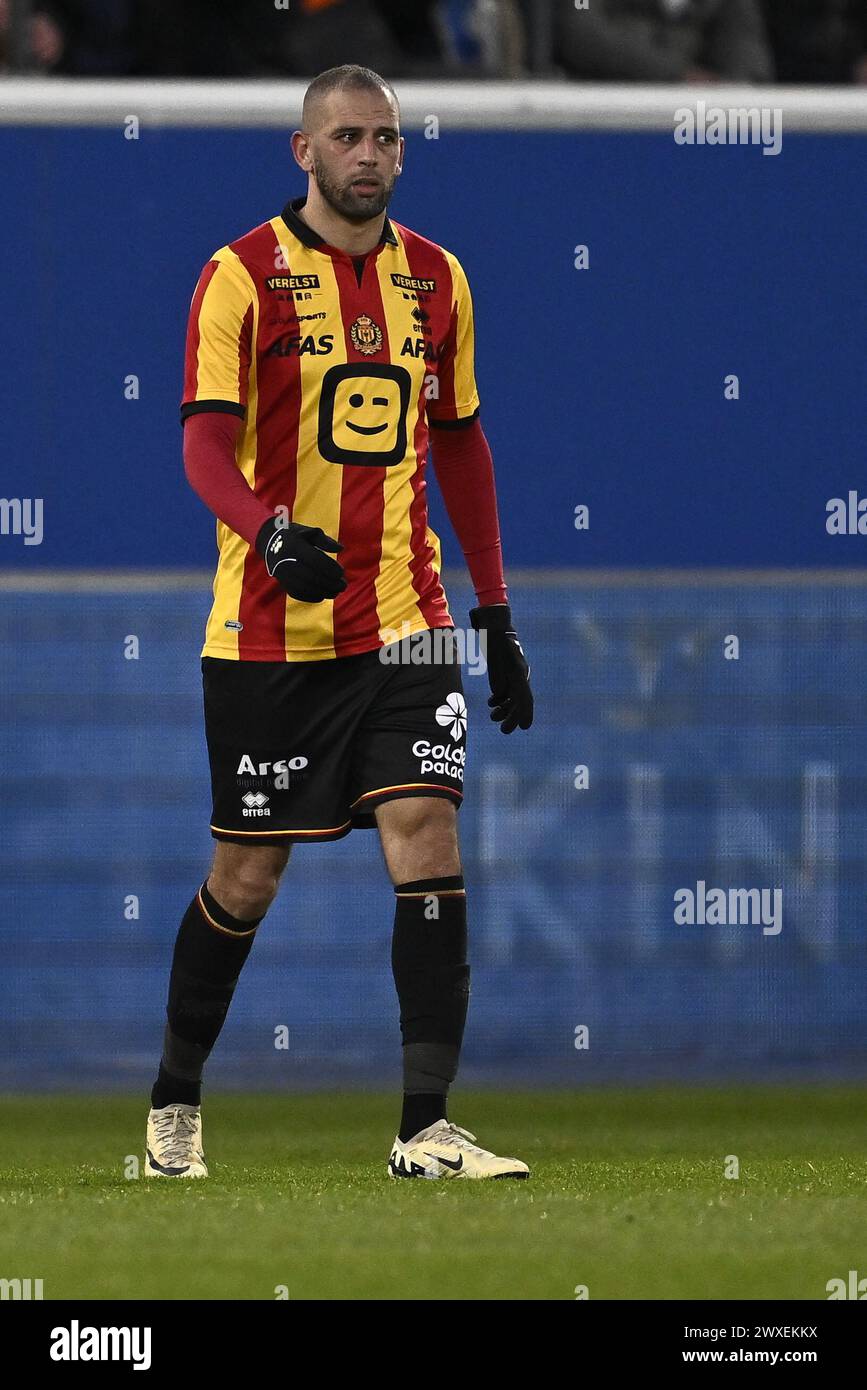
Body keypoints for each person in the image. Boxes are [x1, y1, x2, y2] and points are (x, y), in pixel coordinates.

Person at [145, 64, 533, 1182]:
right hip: (269, 632)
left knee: (427, 830)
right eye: (349, 136)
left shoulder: (440, 280)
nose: (370, 155)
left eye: (387, 137)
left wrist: (495, 610)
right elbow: (202, 445)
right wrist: (268, 534)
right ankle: (175, 1101)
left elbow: (459, 442)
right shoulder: (239, 276)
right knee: (246, 876)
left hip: (410, 619)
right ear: (304, 152)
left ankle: (424, 1128)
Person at [555, 0, 774, 84]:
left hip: (693, 123)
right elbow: (581, 33)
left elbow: (745, 56)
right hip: (603, 110)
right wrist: (678, 75)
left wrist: (732, 89)